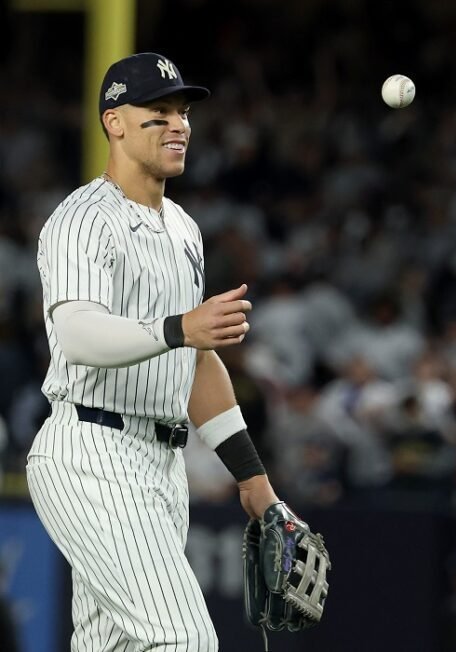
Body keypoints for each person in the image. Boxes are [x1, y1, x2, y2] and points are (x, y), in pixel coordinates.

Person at [27, 53, 281, 651]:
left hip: (162, 464)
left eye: (183, 111)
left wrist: (253, 479)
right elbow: (78, 335)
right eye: (159, 111)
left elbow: (194, 361)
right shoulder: (82, 220)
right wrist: (180, 328)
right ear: (114, 122)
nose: (178, 124)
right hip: (91, 452)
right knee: (183, 640)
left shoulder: (184, 228)